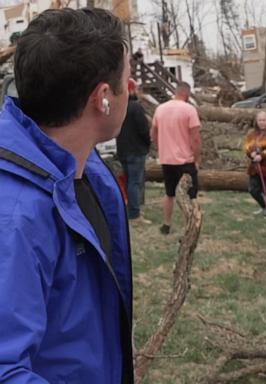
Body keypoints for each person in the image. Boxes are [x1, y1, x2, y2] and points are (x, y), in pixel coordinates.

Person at [0, 8, 134, 383]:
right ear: (103, 97)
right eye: (129, 78)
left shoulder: (85, 172)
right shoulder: (15, 216)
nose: (132, 88)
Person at [151, 81, 201, 235]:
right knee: (191, 195)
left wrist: (161, 148)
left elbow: (153, 133)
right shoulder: (189, 110)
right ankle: (191, 224)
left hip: (167, 159)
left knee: (169, 193)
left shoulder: (160, 109)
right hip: (185, 160)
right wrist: (197, 159)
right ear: (186, 93)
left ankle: (166, 224)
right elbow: (195, 138)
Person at [117, 78, 151, 224]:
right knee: (134, 183)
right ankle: (134, 215)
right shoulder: (135, 108)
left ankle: (129, 208)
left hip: (123, 149)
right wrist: (147, 143)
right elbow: (143, 129)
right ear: (131, 89)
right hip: (136, 150)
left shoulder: (119, 108)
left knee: (128, 181)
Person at [243, 111, 266, 218]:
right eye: (260, 120)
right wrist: (251, 153)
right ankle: (264, 207)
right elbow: (246, 145)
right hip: (255, 167)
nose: (262, 122)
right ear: (256, 121)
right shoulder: (252, 133)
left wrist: (262, 155)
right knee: (253, 189)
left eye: (264, 120)